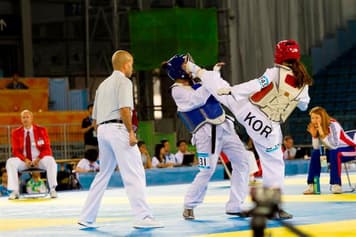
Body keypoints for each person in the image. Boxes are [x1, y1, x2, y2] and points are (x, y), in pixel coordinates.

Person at [179, 39, 313, 219]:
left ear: (279, 55)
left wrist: (233, 91)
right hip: (268, 129)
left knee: (221, 89)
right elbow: (304, 106)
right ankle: (273, 207)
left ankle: (193, 68)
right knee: (274, 164)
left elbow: (255, 85)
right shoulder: (303, 82)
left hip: (248, 112)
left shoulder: (275, 72)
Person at [78, 50, 162, 229]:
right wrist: (131, 132)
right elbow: (125, 109)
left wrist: (104, 131)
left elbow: (94, 119)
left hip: (103, 130)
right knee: (134, 172)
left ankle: (87, 216)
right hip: (118, 128)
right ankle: (143, 217)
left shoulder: (102, 85)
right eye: (131, 64)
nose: (132, 68)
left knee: (103, 174)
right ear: (126, 65)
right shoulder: (124, 81)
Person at [162, 56, 250, 220]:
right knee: (207, 170)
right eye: (186, 64)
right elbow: (198, 99)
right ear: (180, 71)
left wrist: (212, 76)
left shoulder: (198, 83)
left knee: (243, 163)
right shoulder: (177, 90)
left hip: (224, 126)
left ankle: (235, 205)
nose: (191, 66)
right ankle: (189, 205)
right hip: (205, 134)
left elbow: (218, 91)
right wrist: (210, 77)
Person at [6, 109, 58, 199]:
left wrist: (38, 158)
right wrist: (25, 159)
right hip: (24, 161)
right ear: (21, 119)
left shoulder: (41, 130)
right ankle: (15, 191)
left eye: (27, 117)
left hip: (39, 160)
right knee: (10, 162)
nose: (25, 119)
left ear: (31, 118)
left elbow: (47, 148)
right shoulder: (16, 133)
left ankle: (53, 189)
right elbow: (16, 151)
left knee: (51, 160)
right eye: (23, 117)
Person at [303, 106, 356, 194]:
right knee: (315, 153)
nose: (314, 120)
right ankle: (312, 185)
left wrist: (322, 135)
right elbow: (316, 147)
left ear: (322, 117)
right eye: (312, 118)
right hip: (334, 151)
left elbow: (334, 146)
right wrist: (314, 136)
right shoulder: (316, 126)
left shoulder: (333, 124)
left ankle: (336, 185)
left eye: (317, 117)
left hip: (350, 149)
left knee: (335, 152)